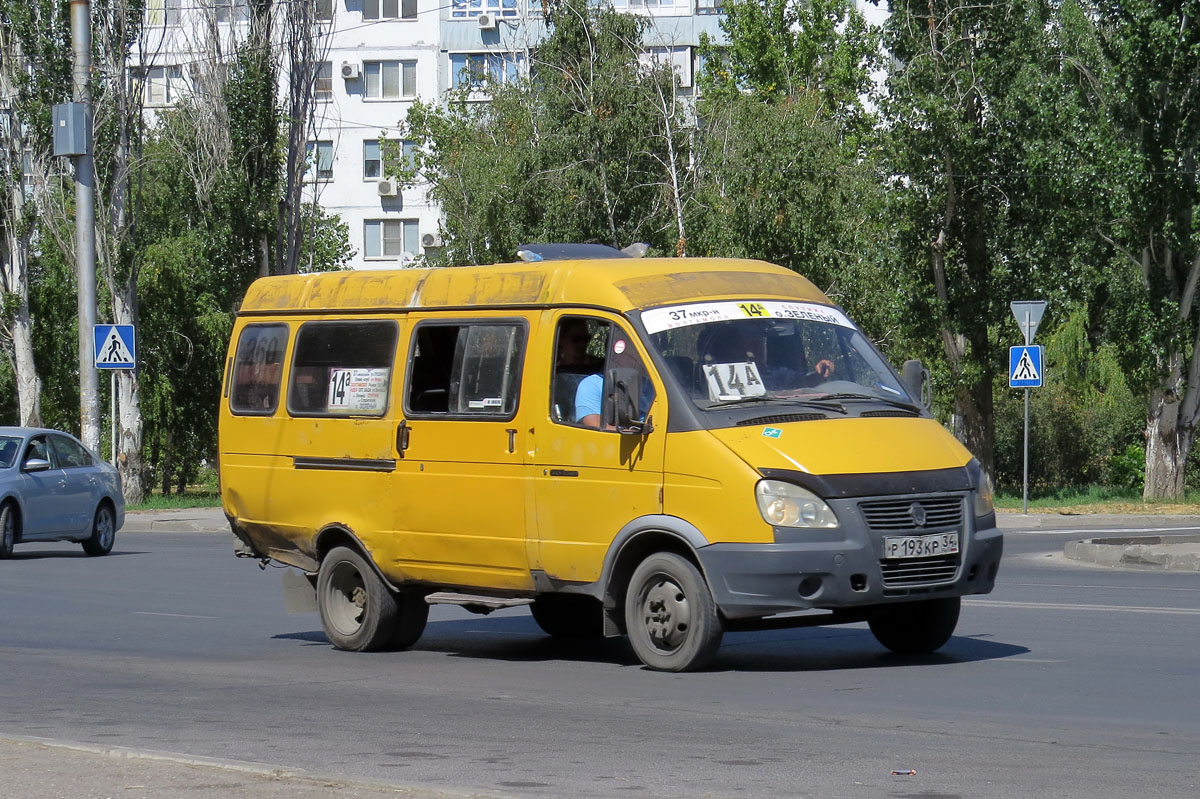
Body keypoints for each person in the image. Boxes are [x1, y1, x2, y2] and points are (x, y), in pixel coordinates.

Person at [703, 323, 834, 392]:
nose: (758, 349)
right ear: (735, 349)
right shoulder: (715, 376)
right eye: (751, 344)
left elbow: (803, 383)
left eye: (760, 343)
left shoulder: (773, 373)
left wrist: (819, 374)